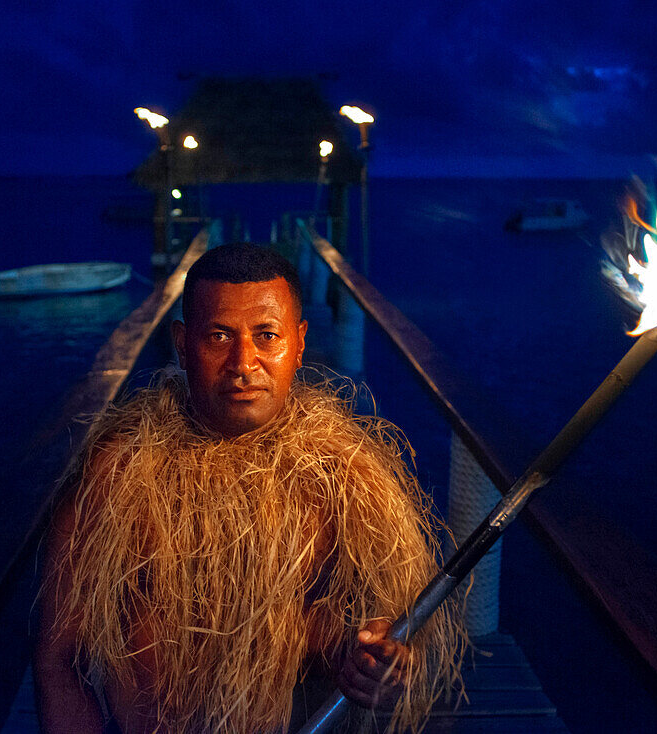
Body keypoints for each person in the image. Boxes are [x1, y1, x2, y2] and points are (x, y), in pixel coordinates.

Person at [34, 243, 462, 734]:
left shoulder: (345, 480)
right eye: (219, 336)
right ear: (182, 342)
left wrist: (382, 667)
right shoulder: (117, 478)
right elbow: (60, 661)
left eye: (266, 336)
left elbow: (383, 642)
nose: (244, 361)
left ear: (299, 344)